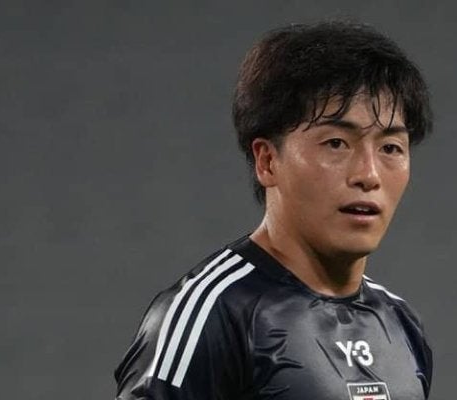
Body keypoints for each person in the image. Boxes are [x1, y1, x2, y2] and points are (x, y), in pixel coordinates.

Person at [114, 21, 434, 400]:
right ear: (267, 161)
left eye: (391, 148)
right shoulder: (213, 314)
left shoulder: (400, 323)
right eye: (336, 143)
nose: (368, 175)